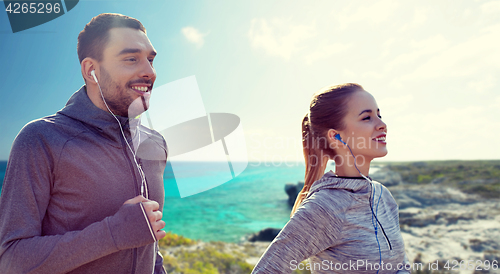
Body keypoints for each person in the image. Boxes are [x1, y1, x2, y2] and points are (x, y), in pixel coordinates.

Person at [0, 13, 168, 273]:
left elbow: (148, 244)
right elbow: (10, 261)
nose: (149, 72)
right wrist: (113, 233)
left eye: (150, 60)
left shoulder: (155, 144)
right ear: (92, 71)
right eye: (131, 59)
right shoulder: (40, 140)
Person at [252, 83, 411, 273]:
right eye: (367, 117)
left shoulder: (382, 195)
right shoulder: (326, 206)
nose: (382, 124)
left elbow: (401, 265)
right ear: (336, 136)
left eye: (379, 115)